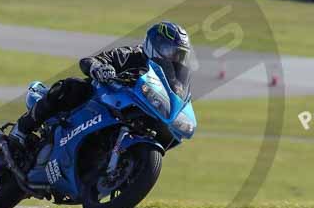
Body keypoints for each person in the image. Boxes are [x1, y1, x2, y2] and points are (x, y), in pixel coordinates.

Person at [14, 21, 193, 143]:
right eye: (170, 51)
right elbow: (90, 61)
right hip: (100, 101)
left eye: (179, 54)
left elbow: (178, 99)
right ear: (154, 44)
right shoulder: (130, 55)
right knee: (72, 86)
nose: (174, 58)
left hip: (135, 114)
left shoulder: (173, 82)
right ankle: (22, 129)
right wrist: (99, 68)